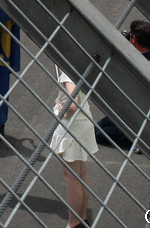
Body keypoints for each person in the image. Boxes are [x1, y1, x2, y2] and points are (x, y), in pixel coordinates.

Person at [94, 20, 150, 150]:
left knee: (97, 133)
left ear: (134, 39)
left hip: (136, 115)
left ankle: (141, 141)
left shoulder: (129, 63)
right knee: (98, 128)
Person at [51, 67, 97, 228]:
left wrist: (65, 113)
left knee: (71, 177)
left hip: (72, 126)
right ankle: (82, 218)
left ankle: (73, 222)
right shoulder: (78, 64)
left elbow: (73, 103)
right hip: (83, 120)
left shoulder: (67, 70)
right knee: (80, 174)